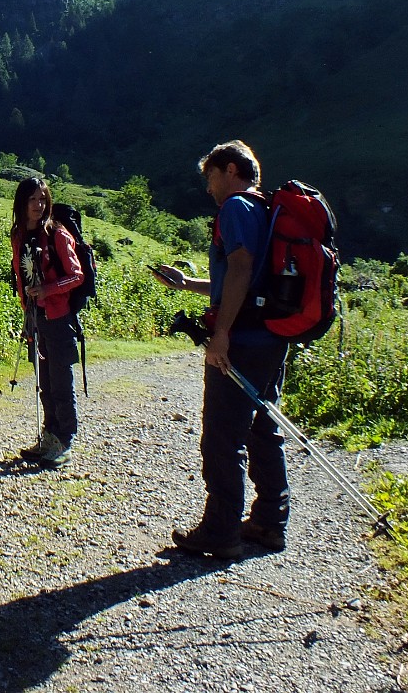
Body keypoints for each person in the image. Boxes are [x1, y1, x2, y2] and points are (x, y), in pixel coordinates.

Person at [151, 140, 290, 559]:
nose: (208, 187)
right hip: (270, 336)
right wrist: (189, 284)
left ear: (230, 169)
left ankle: (220, 530)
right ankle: (269, 520)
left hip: (243, 339)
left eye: (211, 176)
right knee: (263, 426)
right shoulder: (266, 209)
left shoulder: (234, 209)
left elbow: (242, 268)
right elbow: (243, 279)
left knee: (222, 437)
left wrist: (222, 333)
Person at [10, 176, 83, 468]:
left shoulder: (57, 234)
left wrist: (47, 290)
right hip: (35, 317)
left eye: (42, 199)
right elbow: (20, 275)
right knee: (44, 381)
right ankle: (49, 436)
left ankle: (64, 441)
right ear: (22, 203)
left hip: (57, 317)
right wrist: (27, 307)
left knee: (60, 381)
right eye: (32, 200)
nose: (38, 205)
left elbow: (77, 276)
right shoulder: (19, 234)